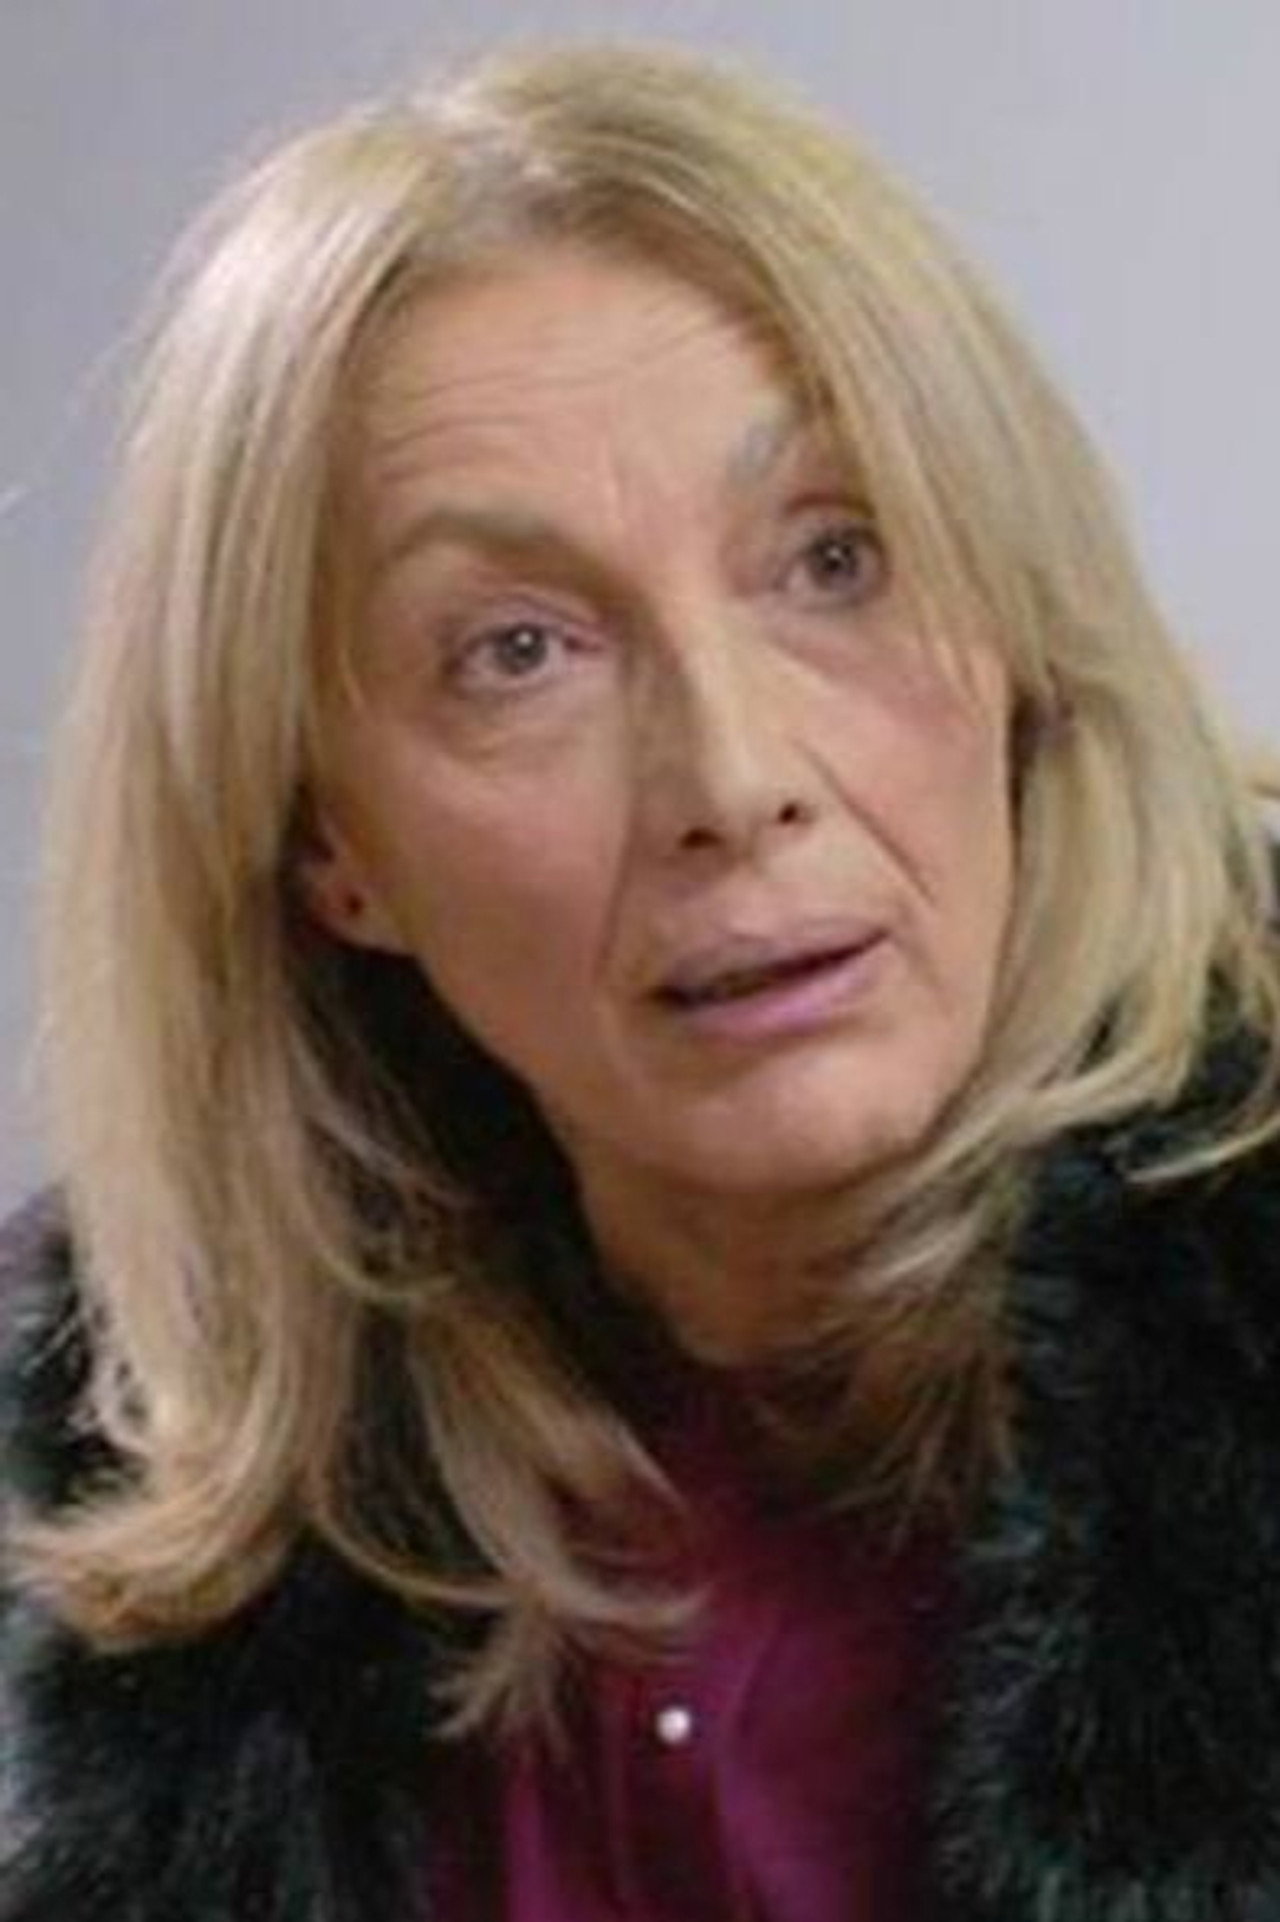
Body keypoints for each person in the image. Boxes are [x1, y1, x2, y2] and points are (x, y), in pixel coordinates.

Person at [3, 38, 1279, 1922]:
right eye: (517, 651)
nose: (734, 779)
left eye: (834, 558)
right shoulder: (152, 1491)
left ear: (1016, 627)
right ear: (327, 843)